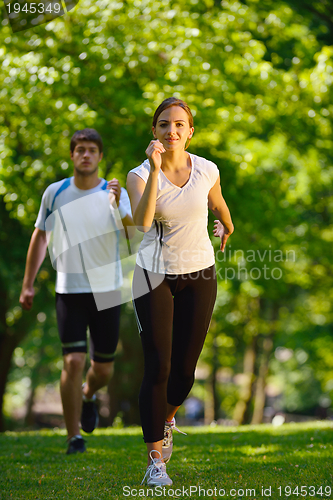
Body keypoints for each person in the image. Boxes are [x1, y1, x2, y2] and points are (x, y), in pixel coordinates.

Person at [127, 97, 234, 485]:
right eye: (163, 125)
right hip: (153, 275)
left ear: (190, 132)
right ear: (153, 132)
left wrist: (224, 226)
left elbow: (219, 206)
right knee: (158, 366)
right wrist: (156, 170)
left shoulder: (207, 169)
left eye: (178, 125)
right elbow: (140, 224)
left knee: (184, 375)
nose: (171, 131)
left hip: (199, 273)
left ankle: (166, 417)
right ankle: (156, 463)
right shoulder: (138, 174)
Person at [19, 128, 133, 454]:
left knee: (104, 369)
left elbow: (131, 238)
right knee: (72, 361)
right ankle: (74, 438)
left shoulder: (115, 192)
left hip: (107, 290)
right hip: (69, 290)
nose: (85, 155)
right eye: (80, 149)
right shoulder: (55, 193)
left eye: (91, 150)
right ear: (72, 155)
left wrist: (116, 204)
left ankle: (88, 394)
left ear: (99, 156)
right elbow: (40, 237)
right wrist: (28, 284)